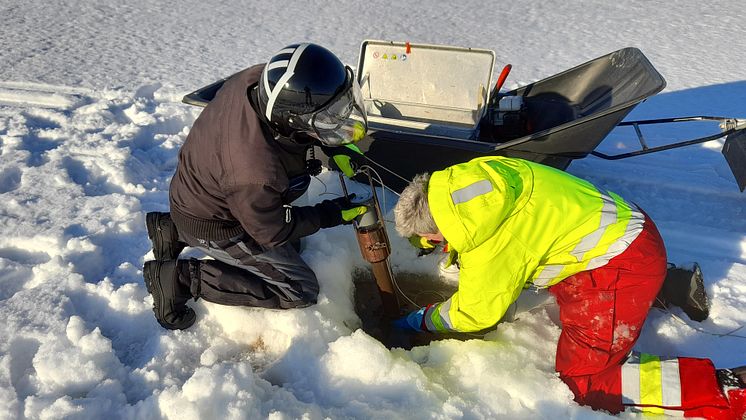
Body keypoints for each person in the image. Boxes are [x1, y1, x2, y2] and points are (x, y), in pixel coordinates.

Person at [392, 156, 746, 418]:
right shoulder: (475, 179)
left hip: (619, 267)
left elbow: (475, 313)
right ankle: (670, 286)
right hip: (624, 230)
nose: (433, 246)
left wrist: (421, 320)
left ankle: (724, 390)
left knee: (585, 382)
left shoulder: (491, 242)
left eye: (430, 240)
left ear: (437, 226)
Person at [143, 43, 367, 330]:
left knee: (293, 244)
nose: (332, 121)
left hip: (198, 192)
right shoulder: (254, 171)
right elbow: (271, 231)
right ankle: (179, 279)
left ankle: (172, 230)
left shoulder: (258, 79)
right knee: (299, 289)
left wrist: (331, 143)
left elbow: (292, 126)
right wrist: (329, 214)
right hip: (219, 225)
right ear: (290, 120)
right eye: (324, 119)